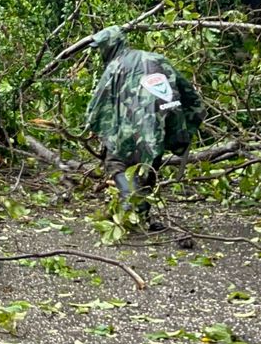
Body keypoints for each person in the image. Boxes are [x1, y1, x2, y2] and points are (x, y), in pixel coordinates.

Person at [84, 26, 204, 231]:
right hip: (162, 121)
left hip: (135, 125)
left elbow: (98, 103)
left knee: (115, 162)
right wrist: (186, 123)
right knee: (149, 164)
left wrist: (93, 126)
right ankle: (142, 216)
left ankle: (131, 206)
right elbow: (190, 94)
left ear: (110, 46)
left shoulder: (115, 66)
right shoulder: (158, 59)